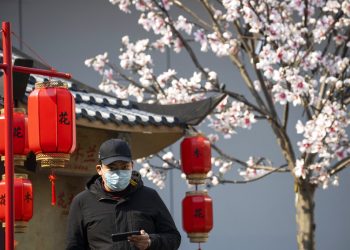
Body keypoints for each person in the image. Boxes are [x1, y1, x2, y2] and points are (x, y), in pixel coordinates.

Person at [66, 138, 181, 250]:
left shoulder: (149, 197)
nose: (119, 173)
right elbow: (74, 245)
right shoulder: (82, 202)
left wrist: (151, 241)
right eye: (112, 168)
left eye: (124, 167)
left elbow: (174, 238)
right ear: (99, 169)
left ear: (132, 166)